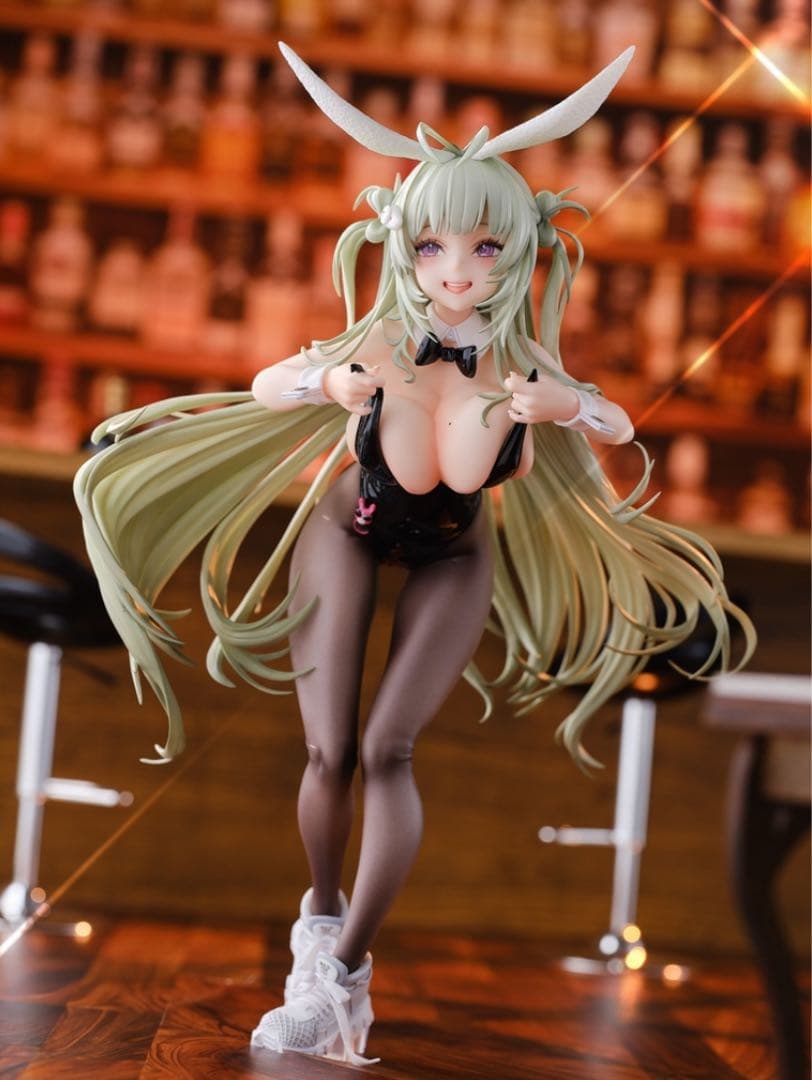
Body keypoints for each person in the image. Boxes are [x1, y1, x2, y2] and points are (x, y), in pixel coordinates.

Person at [74, 44, 754, 1066]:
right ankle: (317, 922)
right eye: (434, 246)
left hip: (453, 554)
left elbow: (616, 423)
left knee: (391, 750)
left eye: (483, 248)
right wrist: (326, 386)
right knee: (330, 751)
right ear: (404, 246)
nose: (456, 270)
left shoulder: (519, 363)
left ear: (516, 253)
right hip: (344, 531)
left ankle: (343, 976)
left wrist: (562, 405)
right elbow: (266, 383)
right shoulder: (384, 341)